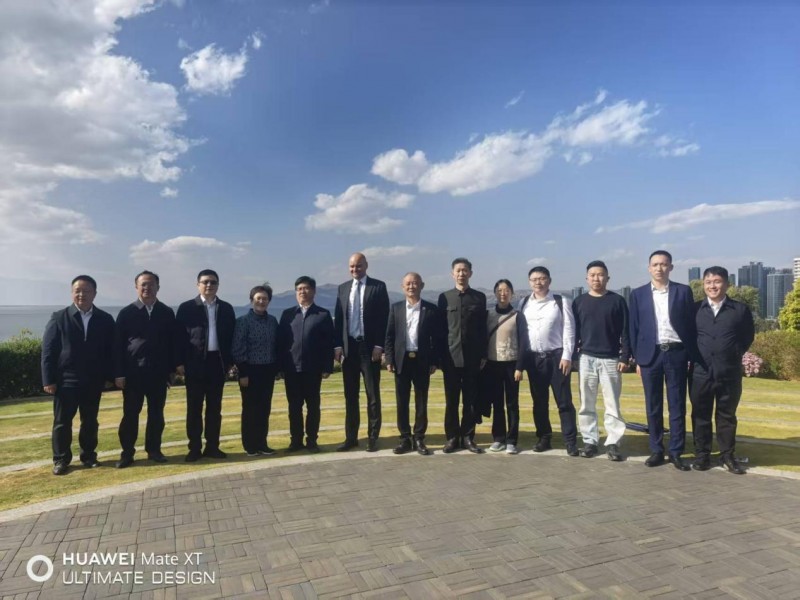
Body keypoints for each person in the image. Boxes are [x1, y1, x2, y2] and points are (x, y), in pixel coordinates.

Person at [629, 250, 697, 471]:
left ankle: (676, 451)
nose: (659, 268)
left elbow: (691, 325)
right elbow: (633, 328)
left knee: (677, 405)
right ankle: (657, 450)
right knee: (653, 405)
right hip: (650, 356)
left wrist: (690, 354)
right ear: (649, 268)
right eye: (655, 264)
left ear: (671, 267)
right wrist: (638, 359)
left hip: (677, 353)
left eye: (664, 264)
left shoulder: (683, 291)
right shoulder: (637, 294)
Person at [41, 275, 115, 475]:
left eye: (86, 291)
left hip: (93, 380)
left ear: (95, 293)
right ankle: (61, 460)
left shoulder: (105, 319)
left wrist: (110, 377)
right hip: (66, 380)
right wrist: (48, 379)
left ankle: (88, 456)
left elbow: (110, 351)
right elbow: (48, 351)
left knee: (90, 421)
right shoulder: (59, 317)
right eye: (77, 291)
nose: (82, 294)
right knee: (62, 422)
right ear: (72, 293)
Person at [690, 266, 755, 474]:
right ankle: (702, 455)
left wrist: (732, 353)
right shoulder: (694, 309)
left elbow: (747, 337)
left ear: (727, 284)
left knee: (727, 416)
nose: (712, 286)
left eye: (717, 282)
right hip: (700, 372)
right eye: (708, 282)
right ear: (703, 285)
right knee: (700, 414)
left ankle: (727, 455)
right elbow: (689, 337)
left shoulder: (740, 310)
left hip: (729, 372)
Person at [114, 271, 180, 468]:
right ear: (136, 287)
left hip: (158, 374)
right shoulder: (126, 313)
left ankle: (154, 450)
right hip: (133, 374)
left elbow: (172, 343)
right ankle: (127, 453)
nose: (147, 288)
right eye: (143, 284)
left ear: (158, 287)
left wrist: (172, 370)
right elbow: (117, 346)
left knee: (156, 415)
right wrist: (119, 373)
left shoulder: (166, 312)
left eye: (151, 284)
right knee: (130, 415)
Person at [515, 266, 578, 456]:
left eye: (542, 278)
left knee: (564, 402)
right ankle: (544, 437)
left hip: (557, 358)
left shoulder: (560, 301)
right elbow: (521, 333)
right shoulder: (523, 303)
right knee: (539, 402)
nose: (538, 282)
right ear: (529, 282)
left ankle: (570, 441)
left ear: (549, 280)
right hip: (534, 360)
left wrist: (567, 356)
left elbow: (569, 330)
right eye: (534, 279)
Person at [572, 261, 631, 461]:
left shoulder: (617, 301)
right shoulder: (579, 302)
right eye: (592, 275)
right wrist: (574, 357)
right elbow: (574, 333)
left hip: (611, 359)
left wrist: (624, 356)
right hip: (586, 358)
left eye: (600, 274)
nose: (596, 278)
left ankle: (613, 442)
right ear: (587, 278)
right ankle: (590, 441)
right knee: (586, 403)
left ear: (607, 278)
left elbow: (626, 331)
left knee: (612, 403)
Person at [176, 269, 236, 462]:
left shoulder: (226, 308)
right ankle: (194, 448)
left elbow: (231, 337)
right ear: (198, 285)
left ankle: (212, 447)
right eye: (205, 282)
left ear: (218, 285)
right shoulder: (187, 308)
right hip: (194, 363)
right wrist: (179, 362)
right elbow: (178, 337)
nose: (209, 285)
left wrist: (230, 362)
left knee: (214, 409)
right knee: (194, 409)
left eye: (213, 282)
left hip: (217, 364)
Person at [334, 253, 390, 453]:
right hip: (349, 349)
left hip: (369, 348)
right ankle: (351, 438)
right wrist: (337, 346)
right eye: (351, 266)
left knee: (372, 395)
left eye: (358, 266)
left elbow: (384, 318)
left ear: (366, 266)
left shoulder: (378, 287)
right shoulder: (343, 288)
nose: (354, 270)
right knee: (350, 396)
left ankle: (373, 437)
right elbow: (339, 318)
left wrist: (379, 345)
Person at [384, 272, 440, 456]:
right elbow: (389, 336)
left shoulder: (431, 309)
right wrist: (389, 359)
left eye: (415, 283)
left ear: (422, 286)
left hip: (422, 361)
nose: (411, 286)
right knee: (402, 402)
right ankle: (404, 438)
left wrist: (434, 361)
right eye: (408, 283)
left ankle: (419, 438)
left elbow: (436, 339)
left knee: (421, 402)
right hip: (401, 361)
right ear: (402, 287)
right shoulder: (396, 308)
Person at [278, 276, 335, 453]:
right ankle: (295, 441)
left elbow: (329, 343)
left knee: (313, 407)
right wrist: (280, 367)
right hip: (292, 369)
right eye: (299, 289)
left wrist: (327, 367)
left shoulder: (323, 315)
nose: (303, 291)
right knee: (294, 407)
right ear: (296, 292)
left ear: (314, 291)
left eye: (306, 288)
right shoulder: (287, 314)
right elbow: (281, 342)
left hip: (313, 369)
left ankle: (312, 440)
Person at [438, 257, 487, 454]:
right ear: (452, 274)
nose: (461, 273)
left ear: (470, 273)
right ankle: (452, 437)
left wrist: (483, 355)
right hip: (450, 358)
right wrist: (439, 358)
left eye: (465, 270)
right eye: (458, 270)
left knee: (470, 400)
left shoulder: (479, 298)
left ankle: (468, 437)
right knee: (451, 401)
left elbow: (483, 329)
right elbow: (440, 330)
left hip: (472, 358)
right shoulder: (445, 297)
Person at [232, 284, 279, 457]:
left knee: (264, 409)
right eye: (258, 298)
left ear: (269, 301)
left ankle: (262, 443)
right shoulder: (243, 321)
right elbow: (237, 348)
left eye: (265, 298)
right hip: (249, 371)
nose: (261, 301)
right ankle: (250, 445)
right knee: (250, 410)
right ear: (252, 300)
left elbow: (276, 345)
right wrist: (243, 373)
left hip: (268, 371)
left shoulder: (272, 321)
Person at [485, 279, 521, 455]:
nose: (503, 293)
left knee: (512, 403)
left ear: (512, 293)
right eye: (499, 290)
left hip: (512, 364)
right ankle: (498, 438)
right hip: (493, 364)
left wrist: (520, 367)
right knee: (497, 403)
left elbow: (524, 342)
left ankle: (512, 440)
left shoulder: (517, 316)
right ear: (495, 293)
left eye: (506, 290)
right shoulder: (489, 315)